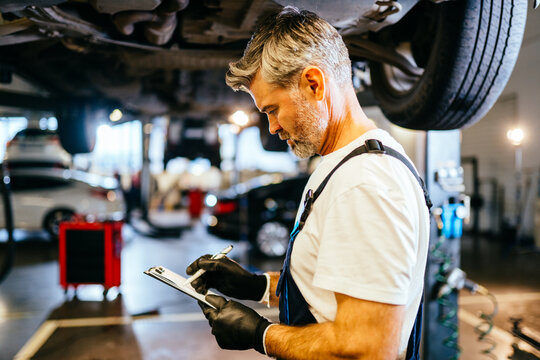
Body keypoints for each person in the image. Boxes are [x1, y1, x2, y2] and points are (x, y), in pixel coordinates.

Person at [186, 6, 430, 360]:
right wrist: (256, 286)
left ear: (313, 84)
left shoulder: (364, 183)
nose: (271, 128)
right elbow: (332, 294)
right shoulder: (347, 165)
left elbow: (370, 347)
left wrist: (262, 335)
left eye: (272, 110)